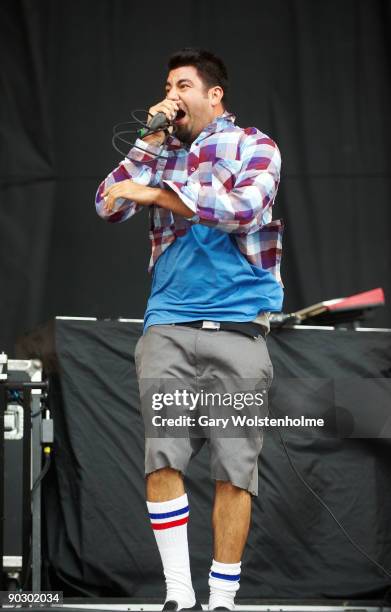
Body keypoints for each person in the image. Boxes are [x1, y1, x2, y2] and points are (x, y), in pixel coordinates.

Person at [95, 48, 283, 611]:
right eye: (167, 86)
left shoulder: (256, 145)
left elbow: (244, 208)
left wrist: (159, 195)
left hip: (238, 327)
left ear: (213, 94)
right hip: (169, 325)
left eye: (182, 85)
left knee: (234, 466)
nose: (172, 95)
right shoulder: (162, 152)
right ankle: (178, 593)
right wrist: (149, 144)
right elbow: (108, 203)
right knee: (165, 456)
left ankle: (222, 600)